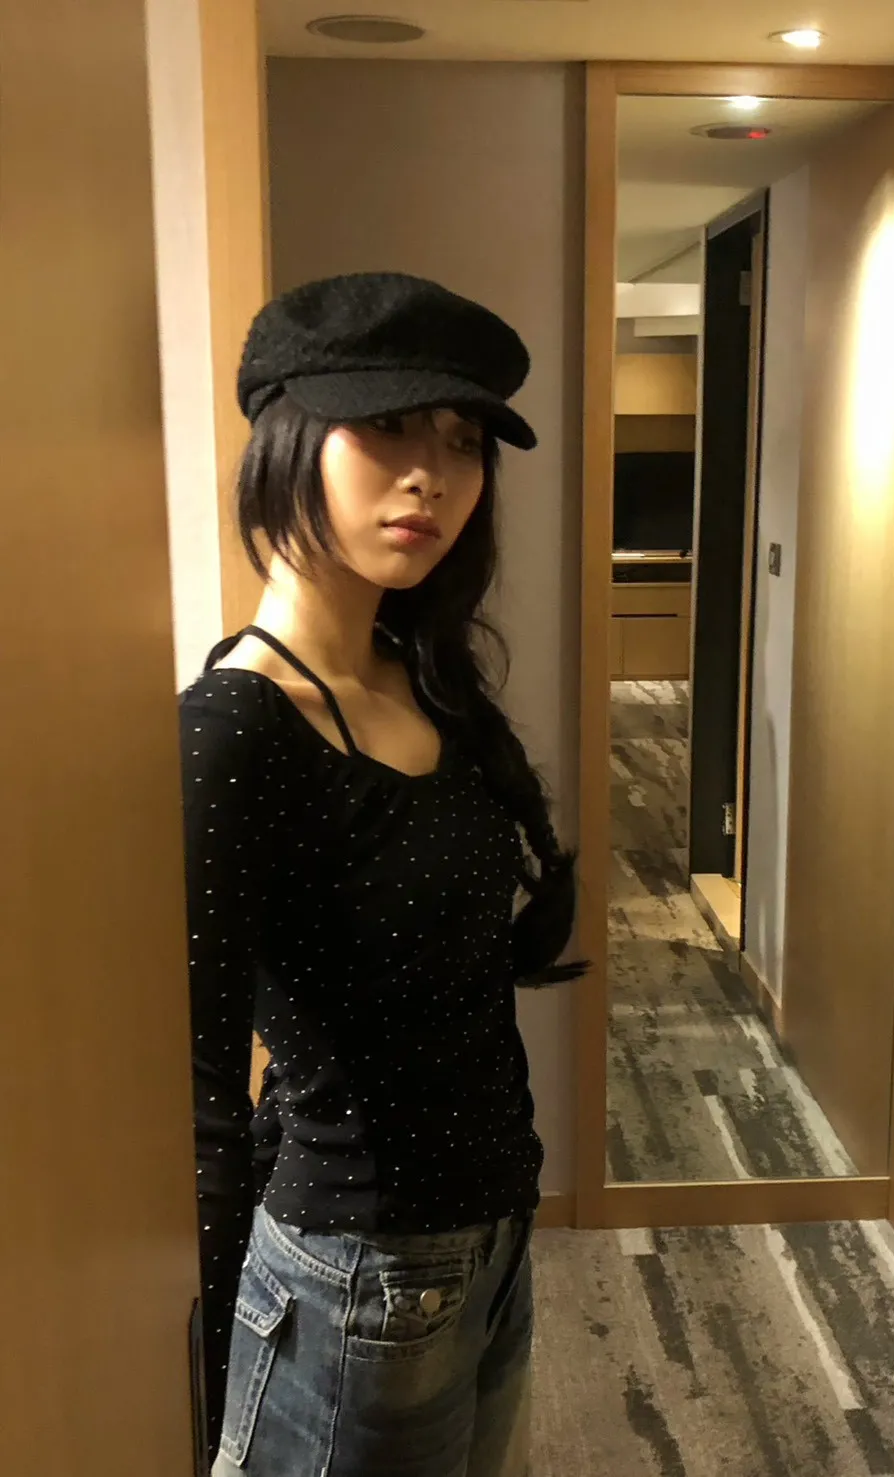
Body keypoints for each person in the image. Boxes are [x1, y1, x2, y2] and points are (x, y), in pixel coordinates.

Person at [179, 272, 583, 1477]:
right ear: (288, 438)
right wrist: (209, 1368)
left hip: (490, 1234)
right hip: (349, 1265)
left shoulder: (423, 679)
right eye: (390, 427)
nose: (432, 476)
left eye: (460, 441)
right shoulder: (235, 729)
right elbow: (199, 1090)